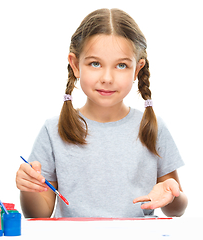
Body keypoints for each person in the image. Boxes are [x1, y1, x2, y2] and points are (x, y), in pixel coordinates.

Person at [16, 8, 188, 218]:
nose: (107, 77)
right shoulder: (54, 130)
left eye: (121, 65)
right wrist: (29, 186)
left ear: (137, 69)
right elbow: (37, 212)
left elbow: (176, 208)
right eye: (95, 63)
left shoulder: (152, 127)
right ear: (75, 65)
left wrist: (174, 194)